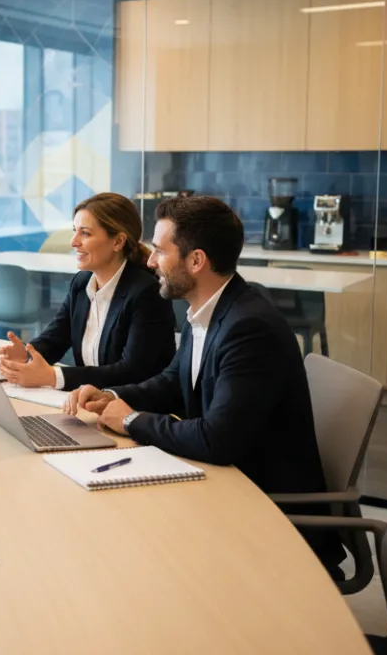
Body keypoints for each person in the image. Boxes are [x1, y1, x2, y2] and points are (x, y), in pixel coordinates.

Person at [64, 196, 342, 568]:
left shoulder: (248, 328)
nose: (149, 261)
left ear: (196, 261)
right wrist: (110, 396)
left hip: (266, 515)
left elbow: (217, 440)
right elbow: (171, 382)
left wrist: (130, 420)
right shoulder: (209, 308)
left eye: (160, 252)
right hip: (223, 485)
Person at [0, 193, 175, 391]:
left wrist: (53, 376)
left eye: (85, 233)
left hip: (134, 409)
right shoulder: (82, 284)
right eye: (75, 231)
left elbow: (132, 371)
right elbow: (55, 339)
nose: (74, 242)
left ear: (117, 242)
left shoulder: (147, 292)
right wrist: (27, 354)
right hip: (88, 403)